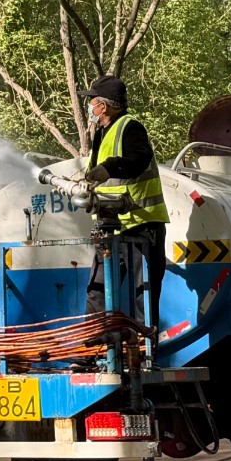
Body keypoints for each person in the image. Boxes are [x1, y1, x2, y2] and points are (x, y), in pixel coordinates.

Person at [80, 76, 168, 335]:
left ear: (103, 106)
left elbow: (140, 159)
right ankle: (93, 351)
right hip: (111, 228)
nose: (90, 108)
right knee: (97, 289)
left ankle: (146, 351)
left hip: (142, 226)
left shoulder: (130, 127)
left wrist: (109, 167)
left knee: (144, 293)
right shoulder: (101, 133)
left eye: (91, 102)